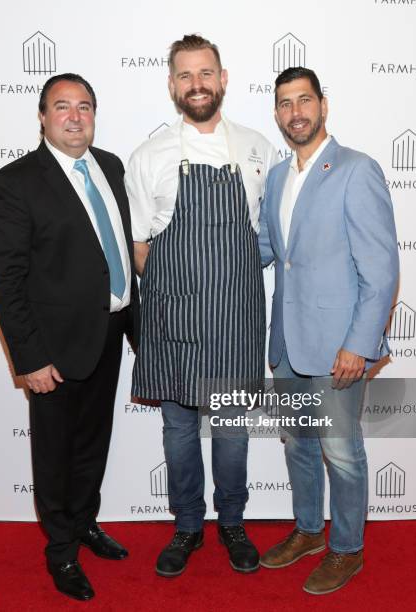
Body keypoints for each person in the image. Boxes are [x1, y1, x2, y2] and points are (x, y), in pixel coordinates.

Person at [125, 34, 277, 577]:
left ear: (224, 78)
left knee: (233, 431)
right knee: (179, 433)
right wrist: (181, 289)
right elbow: (140, 246)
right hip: (175, 321)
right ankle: (187, 526)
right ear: (171, 85)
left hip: (236, 317)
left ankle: (232, 522)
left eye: (206, 73)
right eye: (186, 76)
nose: (197, 85)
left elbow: (267, 236)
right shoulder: (149, 156)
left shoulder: (259, 147)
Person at [0, 73, 139, 601]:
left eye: (85, 107)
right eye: (63, 107)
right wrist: (29, 357)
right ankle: (61, 553)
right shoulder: (14, 183)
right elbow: (6, 280)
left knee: (93, 442)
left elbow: (117, 256)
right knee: (54, 454)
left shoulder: (112, 167)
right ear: (43, 116)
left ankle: (84, 524)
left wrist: (140, 332)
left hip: (110, 331)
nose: (75, 117)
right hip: (52, 347)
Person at [258, 67, 399, 594]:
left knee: (340, 450)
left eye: (304, 101)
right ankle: (308, 531)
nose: (296, 112)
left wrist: (359, 345)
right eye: (285, 103)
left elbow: (381, 270)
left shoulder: (357, 170)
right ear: (276, 113)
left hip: (339, 345)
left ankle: (347, 548)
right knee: (297, 443)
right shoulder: (276, 177)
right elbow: (271, 252)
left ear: (323, 105)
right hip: (289, 344)